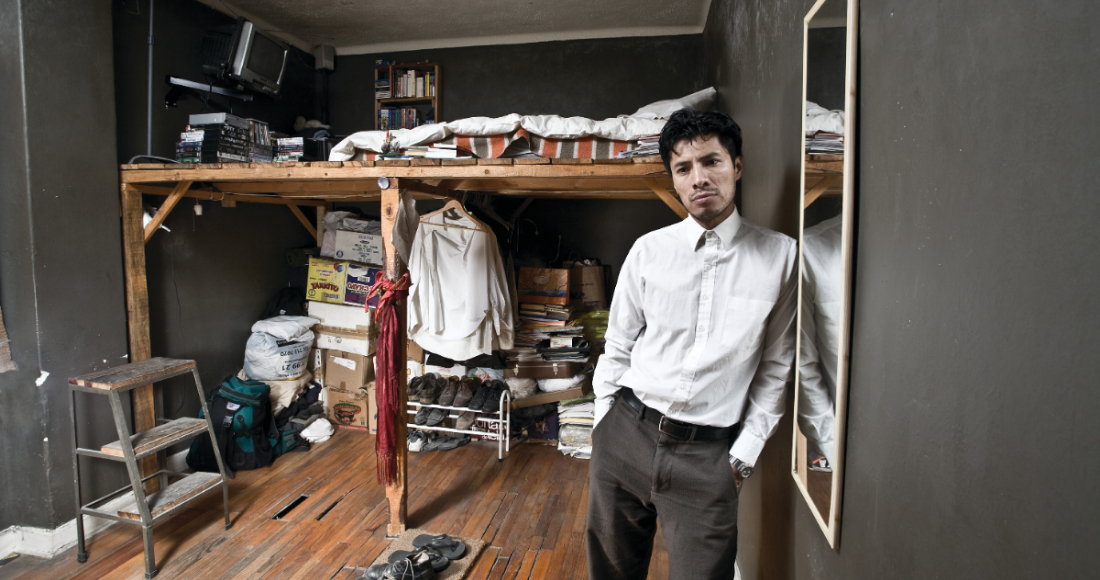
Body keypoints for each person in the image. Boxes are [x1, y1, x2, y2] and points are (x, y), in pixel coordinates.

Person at [586, 109, 797, 579]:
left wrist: (742, 458)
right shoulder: (648, 251)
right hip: (627, 433)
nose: (698, 178)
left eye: (711, 161)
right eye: (683, 168)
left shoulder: (780, 257)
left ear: (736, 166)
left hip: (707, 458)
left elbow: (776, 367)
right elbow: (617, 344)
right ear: (675, 181)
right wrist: (604, 426)